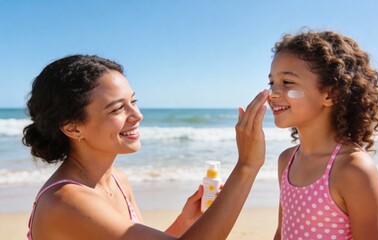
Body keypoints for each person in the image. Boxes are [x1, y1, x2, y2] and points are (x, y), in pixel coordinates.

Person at [23, 54, 268, 240]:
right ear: (73, 128)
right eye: (117, 109)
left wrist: (184, 222)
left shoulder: (117, 179)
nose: (137, 115)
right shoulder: (66, 201)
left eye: (133, 101)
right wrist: (247, 165)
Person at [268, 31, 378, 239]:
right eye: (272, 83)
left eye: (287, 82)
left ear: (329, 94)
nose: (273, 93)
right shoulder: (287, 160)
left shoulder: (353, 170)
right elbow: (282, 232)